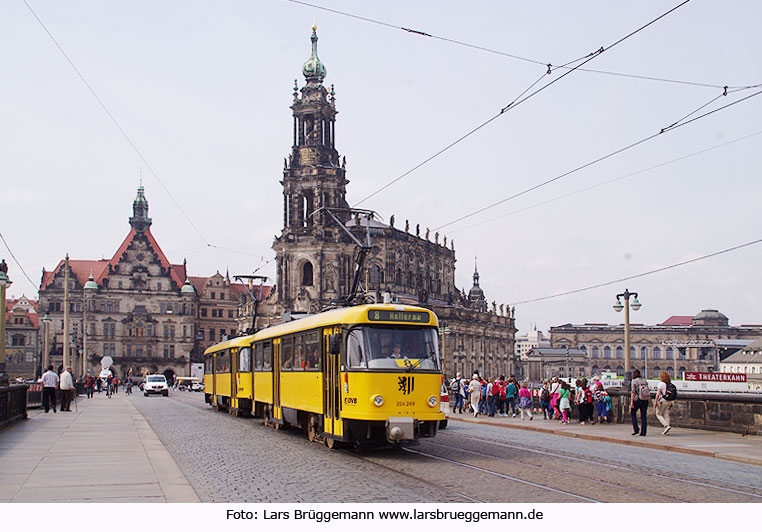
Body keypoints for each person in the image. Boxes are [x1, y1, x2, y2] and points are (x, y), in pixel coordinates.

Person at [630, 369, 650, 436]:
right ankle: (643, 432)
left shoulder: (634, 381)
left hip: (637, 399)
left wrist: (631, 402)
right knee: (643, 416)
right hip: (645, 399)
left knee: (633, 413)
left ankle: (636, 429)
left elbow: (633, 392)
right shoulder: (644, 380)